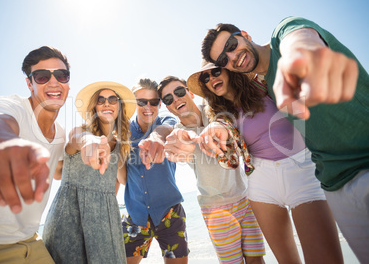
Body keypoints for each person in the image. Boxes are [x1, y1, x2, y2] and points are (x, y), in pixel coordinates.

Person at [201, 17, 369, 262]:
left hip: (337, 165)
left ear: (244, 34)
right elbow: (203, 125)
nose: (232, 57)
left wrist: (296, 60)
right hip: (329, 178)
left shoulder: (280, 41)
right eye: (223, 60)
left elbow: (300, 39)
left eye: (231, 46)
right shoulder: (223, 109)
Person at [186, 62, 343, 264]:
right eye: (205, 78)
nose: (212, 79)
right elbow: (224, 137)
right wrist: (217, 128)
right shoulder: (219, 115)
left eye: (216, 72)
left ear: (228, 70)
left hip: (301, 169)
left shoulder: (262, 86)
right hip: (261, 180)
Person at [0, 46, 70, 263]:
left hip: (31, 241)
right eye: (42, 76)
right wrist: (3, 146)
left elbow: (58, 171)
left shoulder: (59, 133)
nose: (54, 82)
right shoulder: (10, 107)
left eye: (61, 75)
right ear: (29, 83)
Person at [158, 76, 266, 264]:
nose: (175, 99)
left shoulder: (214, 110)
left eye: (179, 92)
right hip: (215, 208)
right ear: (167, 107)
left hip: (244, 197)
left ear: (189, 92)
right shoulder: (178, 132)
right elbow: (168, 136)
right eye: (168, 99)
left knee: (256, 259)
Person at [42, 81, 136, 263]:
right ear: (94, 107)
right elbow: (76, 139)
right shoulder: (80, 132)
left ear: (119, 106)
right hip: (69, 215)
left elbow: (121, 180)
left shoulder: (119, 147)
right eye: (101, 100)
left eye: (112, 99)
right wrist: (88, 141)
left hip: (105, 220)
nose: (107, 103)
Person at [120, 78, 189, 264]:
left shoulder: (167, 120)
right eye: (141, 102)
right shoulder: (123, 132)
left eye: (154, 102)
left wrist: (156, 137)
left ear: (160, 103)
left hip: (170, 213)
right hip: (135, 216)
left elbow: (168, 127)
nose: (148, 107)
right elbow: (124, 179)